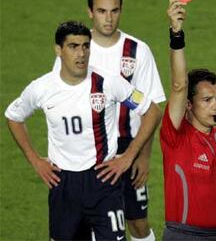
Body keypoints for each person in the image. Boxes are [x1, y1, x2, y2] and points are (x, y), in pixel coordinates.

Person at [5, 21, 161, 240]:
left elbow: (152, 111)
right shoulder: (42, 88)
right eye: (73, 46)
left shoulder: (108, 83)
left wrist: (128, 157)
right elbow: (14, 117)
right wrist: (35, 160)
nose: (81, 54)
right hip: (63, 184)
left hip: (103, 181)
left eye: (86, 46)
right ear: (58, 50)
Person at [54, 0, 165, 241]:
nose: (109, 18)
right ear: (90, 12)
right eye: (102, 11)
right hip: (87, 150)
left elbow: (152, 108)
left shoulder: (138, 51)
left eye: (114, 11)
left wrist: (141, 156)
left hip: (128, 146)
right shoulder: (77, 49)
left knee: (137, 221)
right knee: (91, 222)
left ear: (121, 11)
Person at [159, 0, 216, 240]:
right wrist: (176, 34)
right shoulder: (175, 136)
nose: (215, 106)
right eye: (207, 100)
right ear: (189, 105)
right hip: (185, 235)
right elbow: (180, 85)